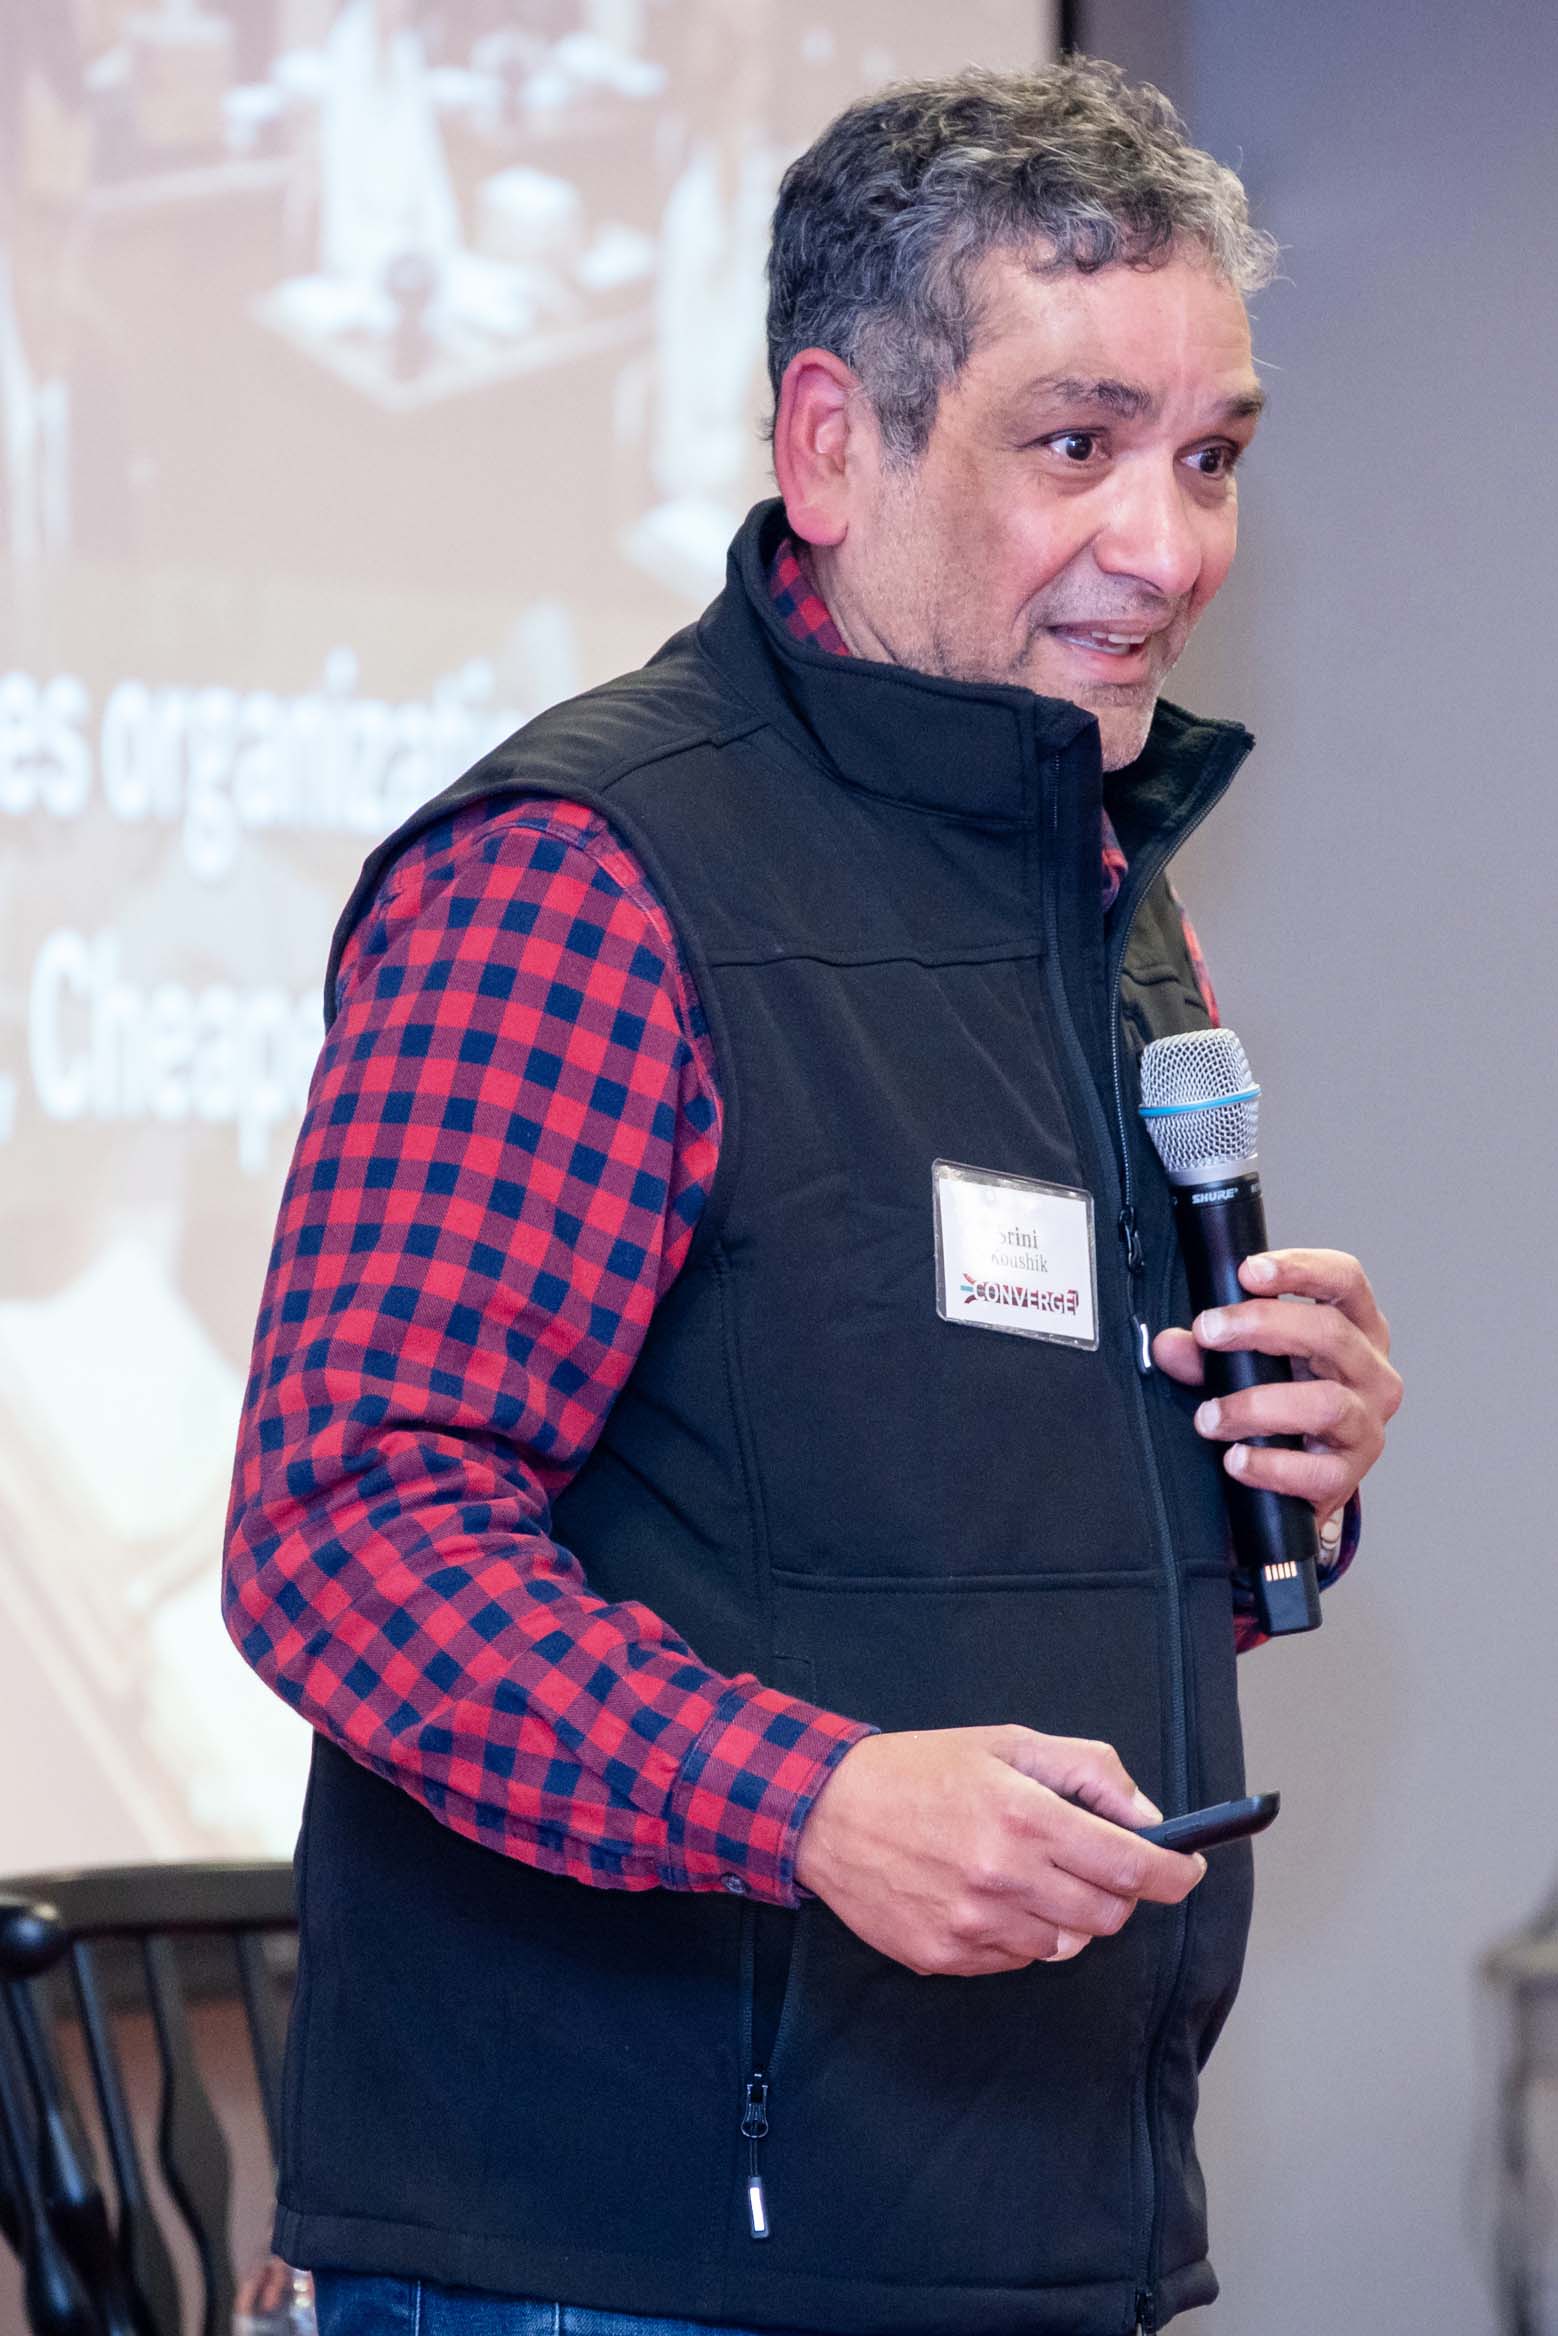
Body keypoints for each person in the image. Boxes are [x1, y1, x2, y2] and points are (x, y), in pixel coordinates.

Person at [223, 57, 1402, 2336]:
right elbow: (340, 1529)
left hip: (1020, 2219)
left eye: (1210, 457)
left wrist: (1266, 1472)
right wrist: (803, 1802)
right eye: (1073, 445)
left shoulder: (1094, 890)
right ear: (829, 445)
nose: (1165, 546)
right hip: (627, 2266)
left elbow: (927, 1524)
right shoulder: (588, 879)